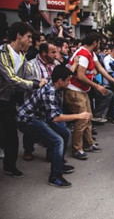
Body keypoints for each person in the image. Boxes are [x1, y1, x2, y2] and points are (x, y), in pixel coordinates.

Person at [17, 65, 91, 188]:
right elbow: (55, 117)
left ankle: (58, 163)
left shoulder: (55, 85)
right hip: (27, 120)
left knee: (65, 133)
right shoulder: (50, 91)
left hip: (39, 116)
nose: (69, 82)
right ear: (60, 81)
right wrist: (79, 116)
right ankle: (55, 177)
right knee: (57, 141)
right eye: (67, 80)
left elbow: (53, 115)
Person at [63, 32, 114, 160]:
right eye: (99, 42)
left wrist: (112, 80)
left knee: (88, 118)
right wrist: (97, 86)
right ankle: (77, 148)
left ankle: (89, 144)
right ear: (95, 43)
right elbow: (80, 75)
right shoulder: (83, 55)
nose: (100, 45)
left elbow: (99, 68)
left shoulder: (90, 53)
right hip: (74, 91)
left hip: (82, 91)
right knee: (82, 119)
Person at [0, 22, 46, 177]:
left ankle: (9, 166)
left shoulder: (22, 57)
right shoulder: (2, 53)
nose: (31, 40)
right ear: (18, 36)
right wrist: (35, 84)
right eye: (28, 37)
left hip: (8, 102)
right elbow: (11, 79)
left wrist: (43, 84)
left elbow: (29, 76)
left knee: (11, 137)